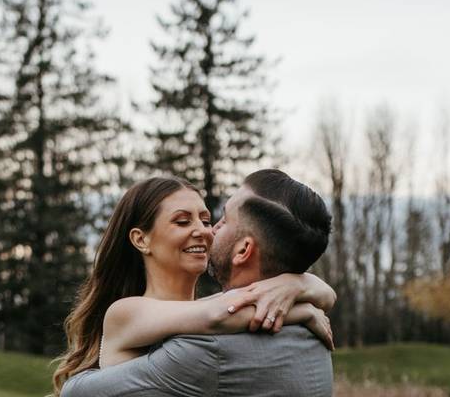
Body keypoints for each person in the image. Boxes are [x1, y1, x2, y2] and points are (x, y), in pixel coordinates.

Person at [56, 169, 335, 397]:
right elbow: (217, 314)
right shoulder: (126, 313)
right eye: (181, 221)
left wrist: (300, 288)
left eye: (206, 219)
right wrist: (303, 302)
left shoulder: (205, 329)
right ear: (141, 239)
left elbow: (216, 311)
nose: (204, 230)